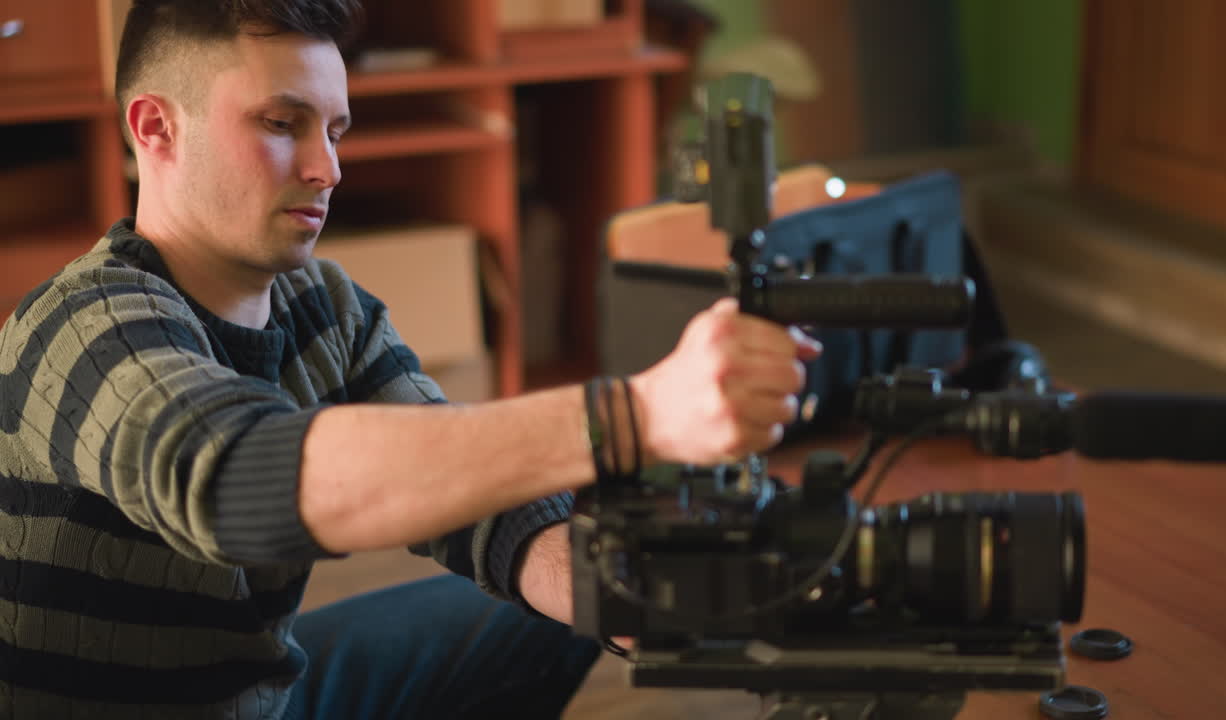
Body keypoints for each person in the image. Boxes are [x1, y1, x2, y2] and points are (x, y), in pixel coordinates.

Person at [0, 1, 820, 718]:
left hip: (258, 702)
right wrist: (631, 416)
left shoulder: (324, 304)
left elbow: (477, 504)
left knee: (568, 602)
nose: (328, 168)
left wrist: (630, 599)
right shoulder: (83, 324)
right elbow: (234, 482)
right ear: (155, 129)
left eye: (335, 129)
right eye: (282, 125)